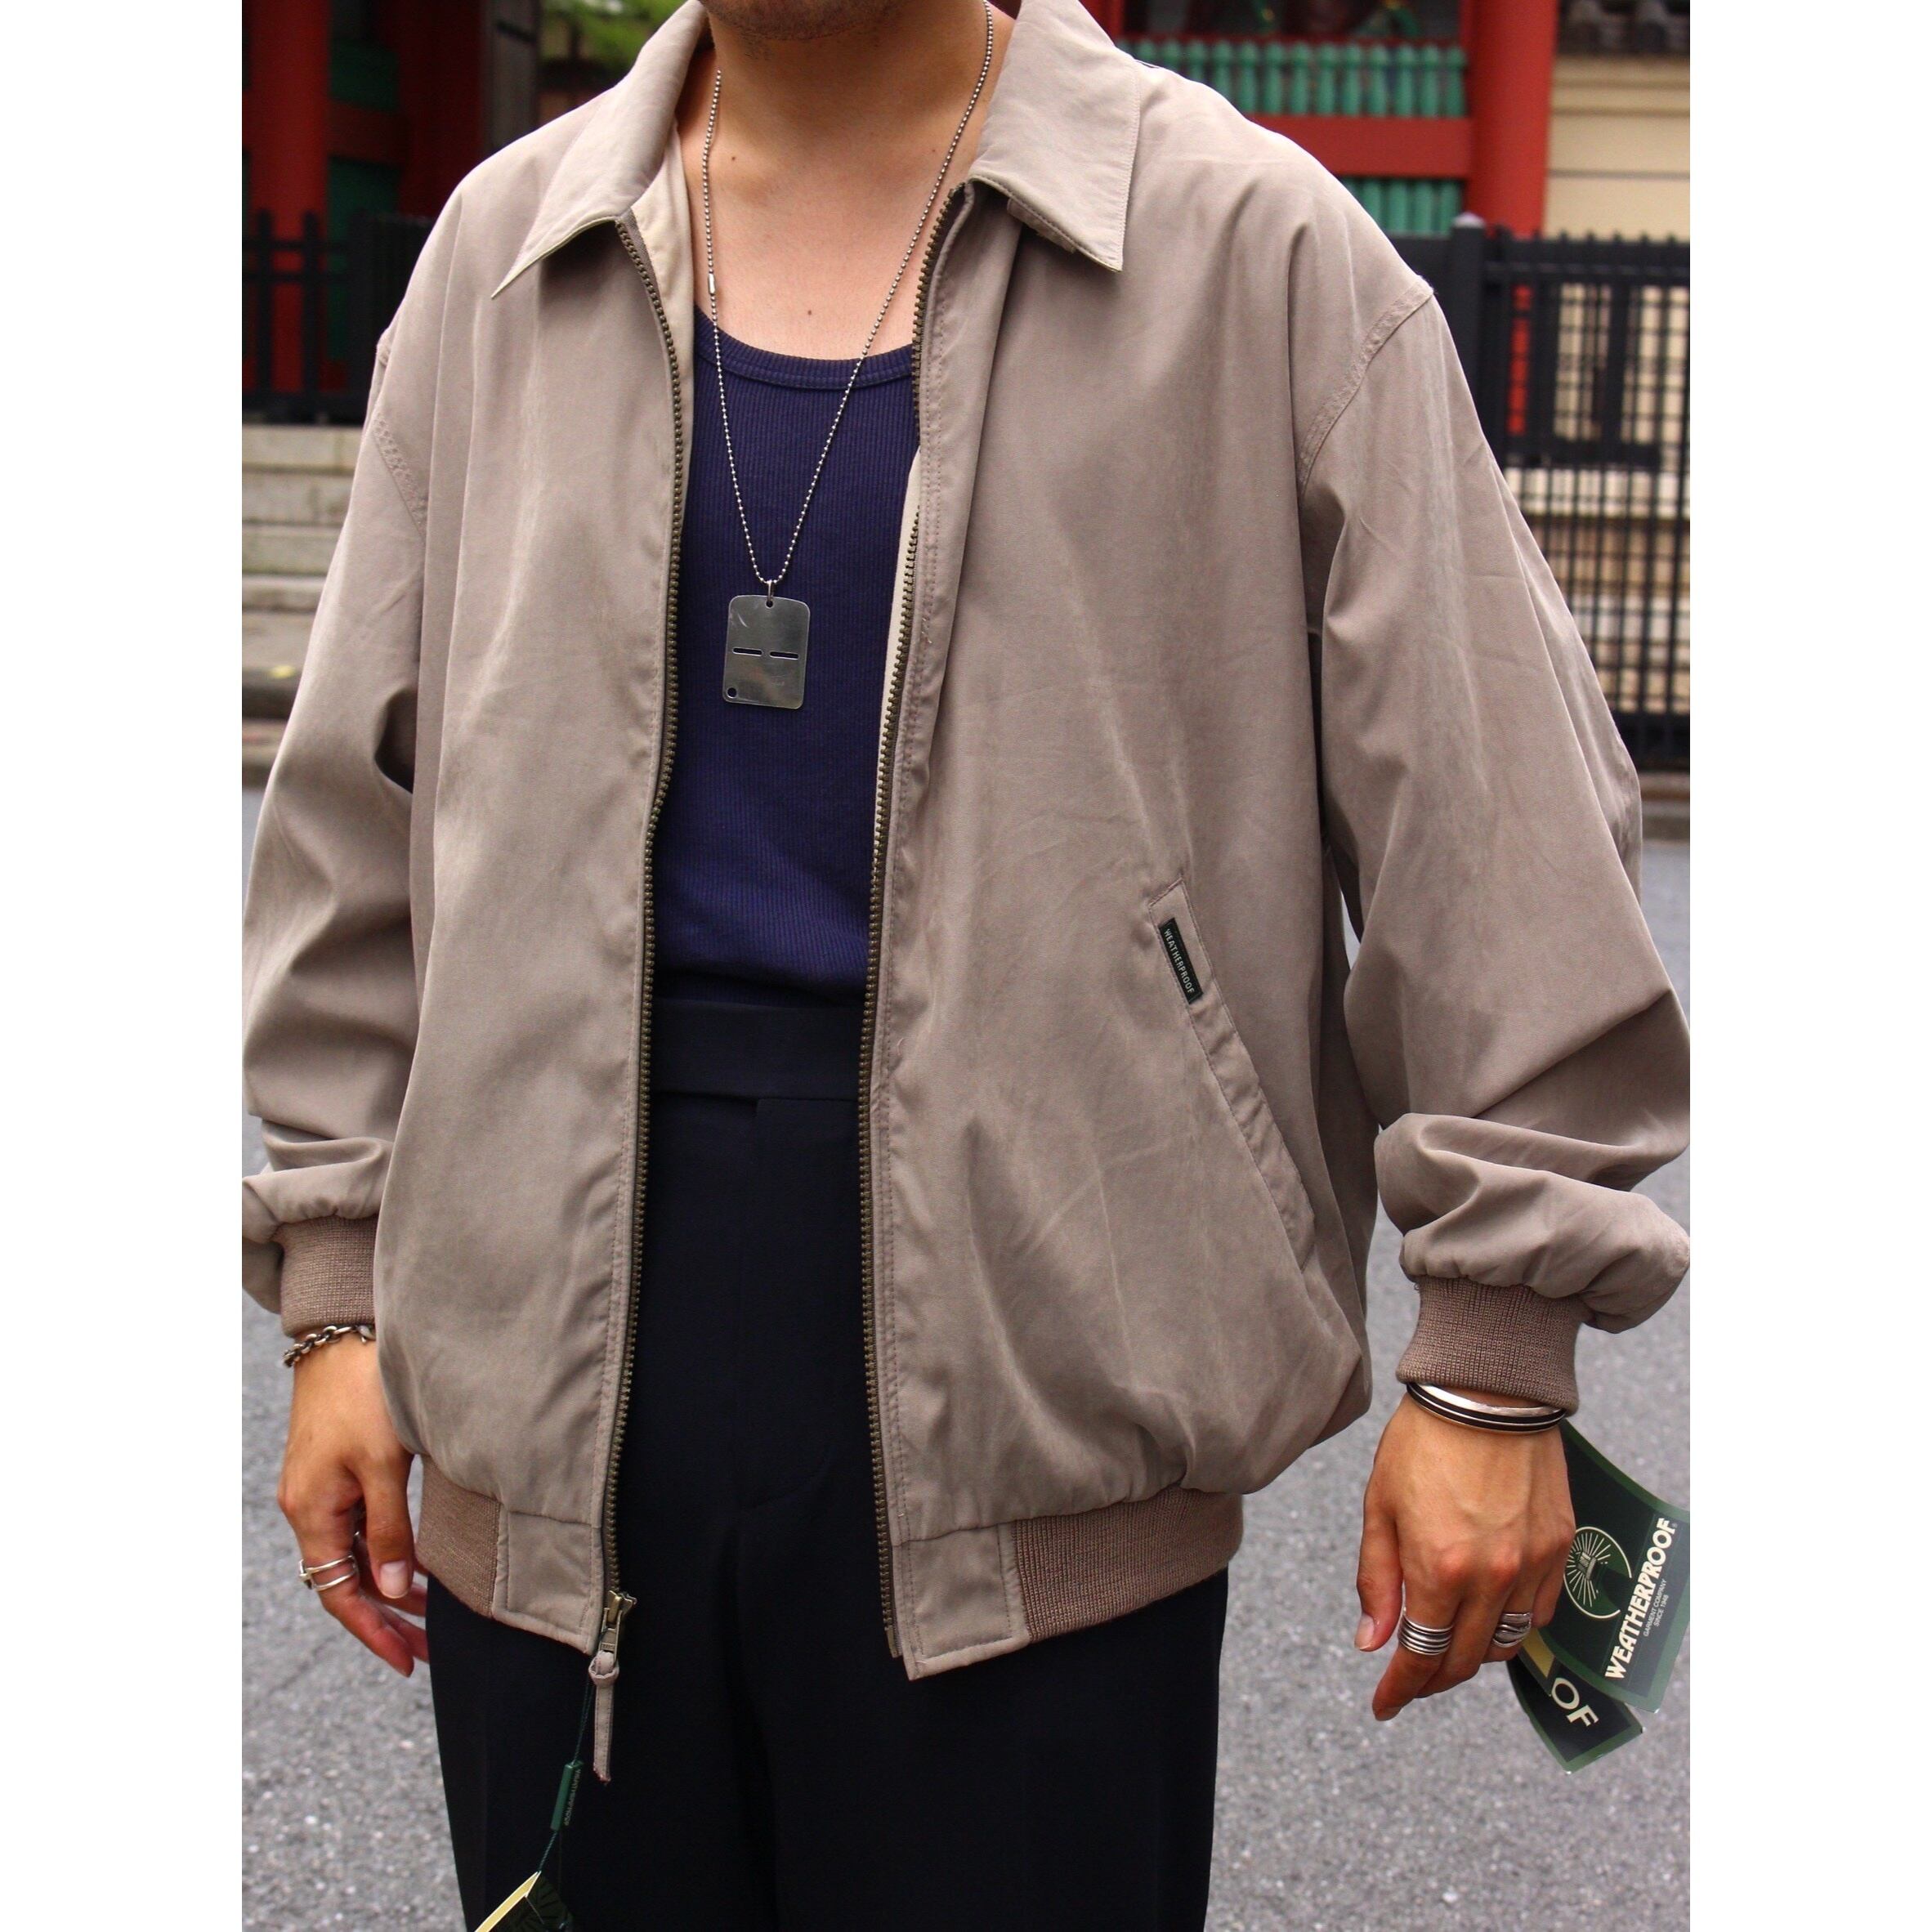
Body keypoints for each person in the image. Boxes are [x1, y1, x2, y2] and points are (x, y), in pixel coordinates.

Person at [242, 1, 1689, 1925]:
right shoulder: (509, 251)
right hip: (544, 1336)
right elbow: (357, 818)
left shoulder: (1251, 254)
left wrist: (1497, 1359)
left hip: (1046, 1354)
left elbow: (1494, 816)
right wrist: (337, 1296)